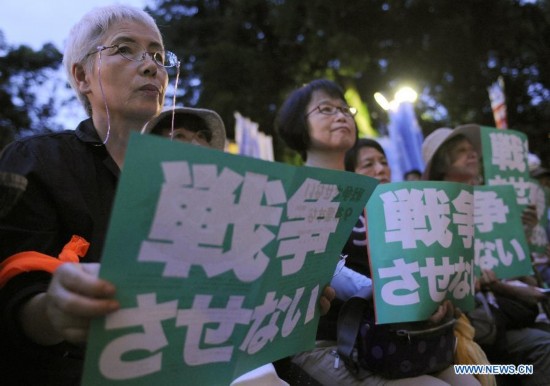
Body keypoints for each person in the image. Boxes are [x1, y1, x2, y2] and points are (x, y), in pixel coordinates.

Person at [0, 6, 334, 385]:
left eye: (159, 56)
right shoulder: (41, 161)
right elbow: (16, 296)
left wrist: (285, 301)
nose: (151, 67)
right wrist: (52, 311)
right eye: (125, 49)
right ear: (82, 76)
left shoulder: (206, 186)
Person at [275, 79, 479, 386]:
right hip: (325, 342)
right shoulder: (290, 192)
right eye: (326, 109)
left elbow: (411, 265)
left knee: (470, 381)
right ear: (296, 123)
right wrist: (404, 294)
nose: (341, 115)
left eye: (345, 108)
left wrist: (432, 296)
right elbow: (331, 271)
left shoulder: (378, 199)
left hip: (393, 338)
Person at [422, 124, 550, 386]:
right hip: (468, 340)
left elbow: (520, 273)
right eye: (460, 151)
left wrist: (523, 232)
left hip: (503, 321)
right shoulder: (430, 212)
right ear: (442, 165)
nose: (471, 156)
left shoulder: (494, 202)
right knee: (540, 350)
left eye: (472, 151)